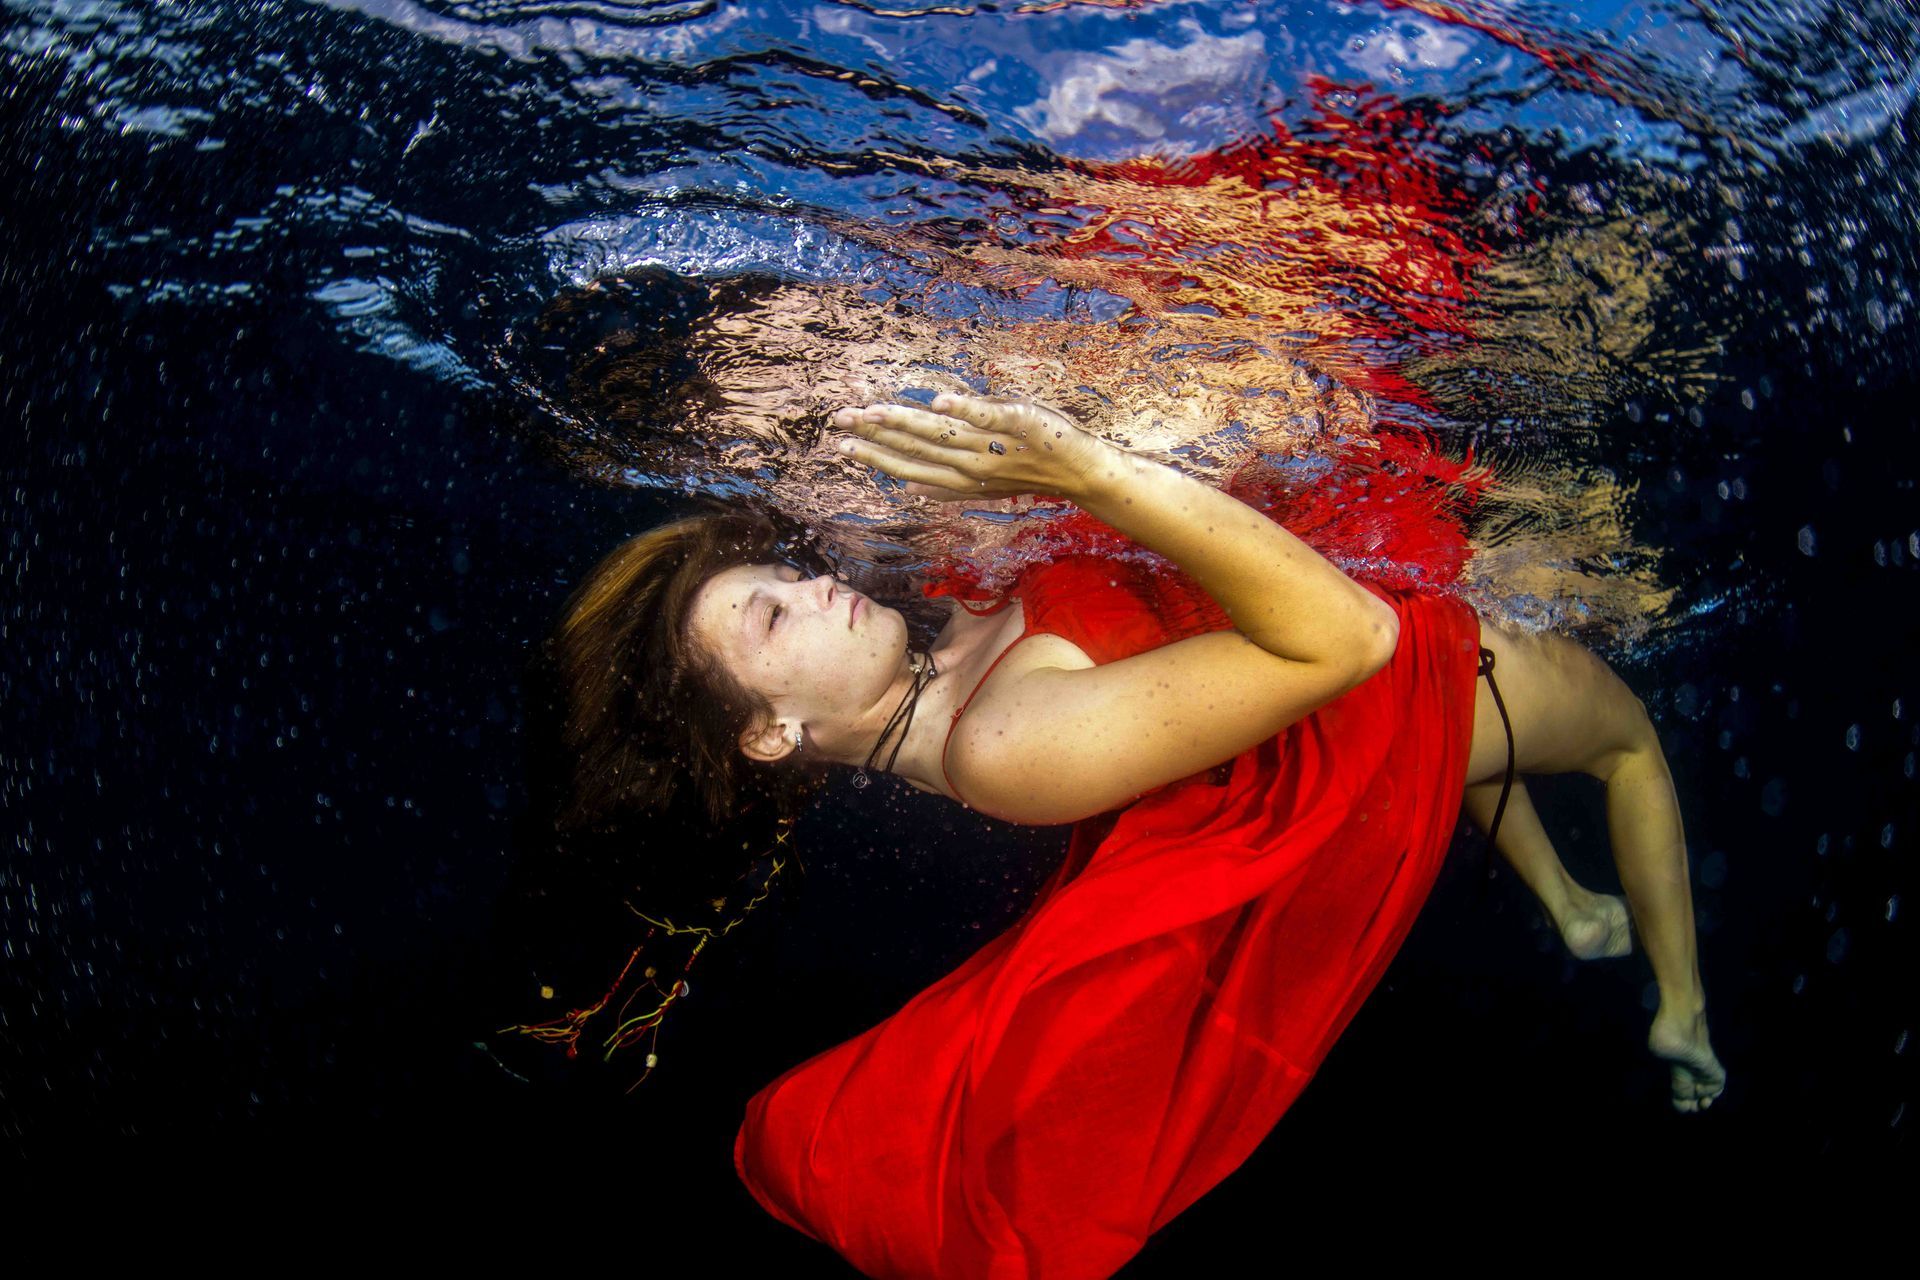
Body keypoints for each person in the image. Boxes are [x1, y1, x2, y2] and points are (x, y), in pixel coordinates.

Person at [548, 392, 1726, 1278]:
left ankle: (1571, 905)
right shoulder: (1004, 746)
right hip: (1383, 686)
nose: (810, 586)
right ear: (771, 733)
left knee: (1491, 755)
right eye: (771, 613)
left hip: (1323, 722)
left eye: (782, 574)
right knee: (1626, 743)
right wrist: (1092, 470)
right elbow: (1352, 637)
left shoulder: (947, 629)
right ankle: (1682, 1014)